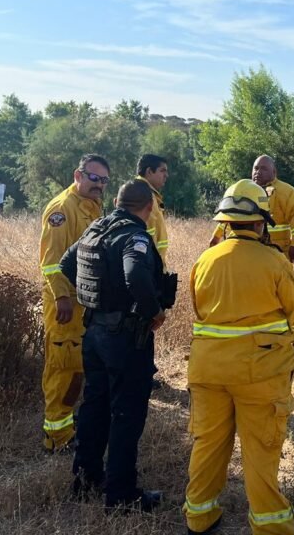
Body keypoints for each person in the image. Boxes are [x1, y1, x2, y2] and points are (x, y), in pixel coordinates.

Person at [184, 180, 294, 535]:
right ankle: (271, 527)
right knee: (260, 451)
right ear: (260, 223)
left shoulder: (204, 260)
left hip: (207, 371)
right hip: (260, 374)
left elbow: (200, 312)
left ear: (225, 222)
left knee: (208, 444)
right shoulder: (274, 261)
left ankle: (199, 517)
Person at [59, 179, 174, 512]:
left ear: (118, 202)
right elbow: (136, 275)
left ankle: (85, 479)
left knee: (94, 406)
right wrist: (154, 311)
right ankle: (121, 495)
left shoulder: (96, 229)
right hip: (125, 338)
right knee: (127, 413)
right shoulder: (135, 235)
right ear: (148, 207)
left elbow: (68, 264)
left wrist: (96, 297)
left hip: (94, 333)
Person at [37, 153, 110, 451]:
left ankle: (67, 425)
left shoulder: (92, 206)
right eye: (94, 178)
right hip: (64, 305)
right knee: (62, 368)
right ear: (77, 175)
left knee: (78, 367)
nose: (99, 185)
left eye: (104, 180)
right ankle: (55, 436)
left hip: (84, 303)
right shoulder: (61, 210)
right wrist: (62, 297)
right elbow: (51, 262)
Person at [210, 155, 294, 264]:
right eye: (256, 168)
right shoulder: (244, 190)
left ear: (274, 172)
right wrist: (216, 236)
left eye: (264, 169)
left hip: (277, 251)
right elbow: (233, 215)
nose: (258, 172)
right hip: (247, 250)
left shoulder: (286, 192)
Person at [136, 154, 170, 264]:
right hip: (149, 265)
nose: (166, 175)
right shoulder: (141, 194)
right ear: (149, 171)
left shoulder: (147, 193)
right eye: (162, 171)